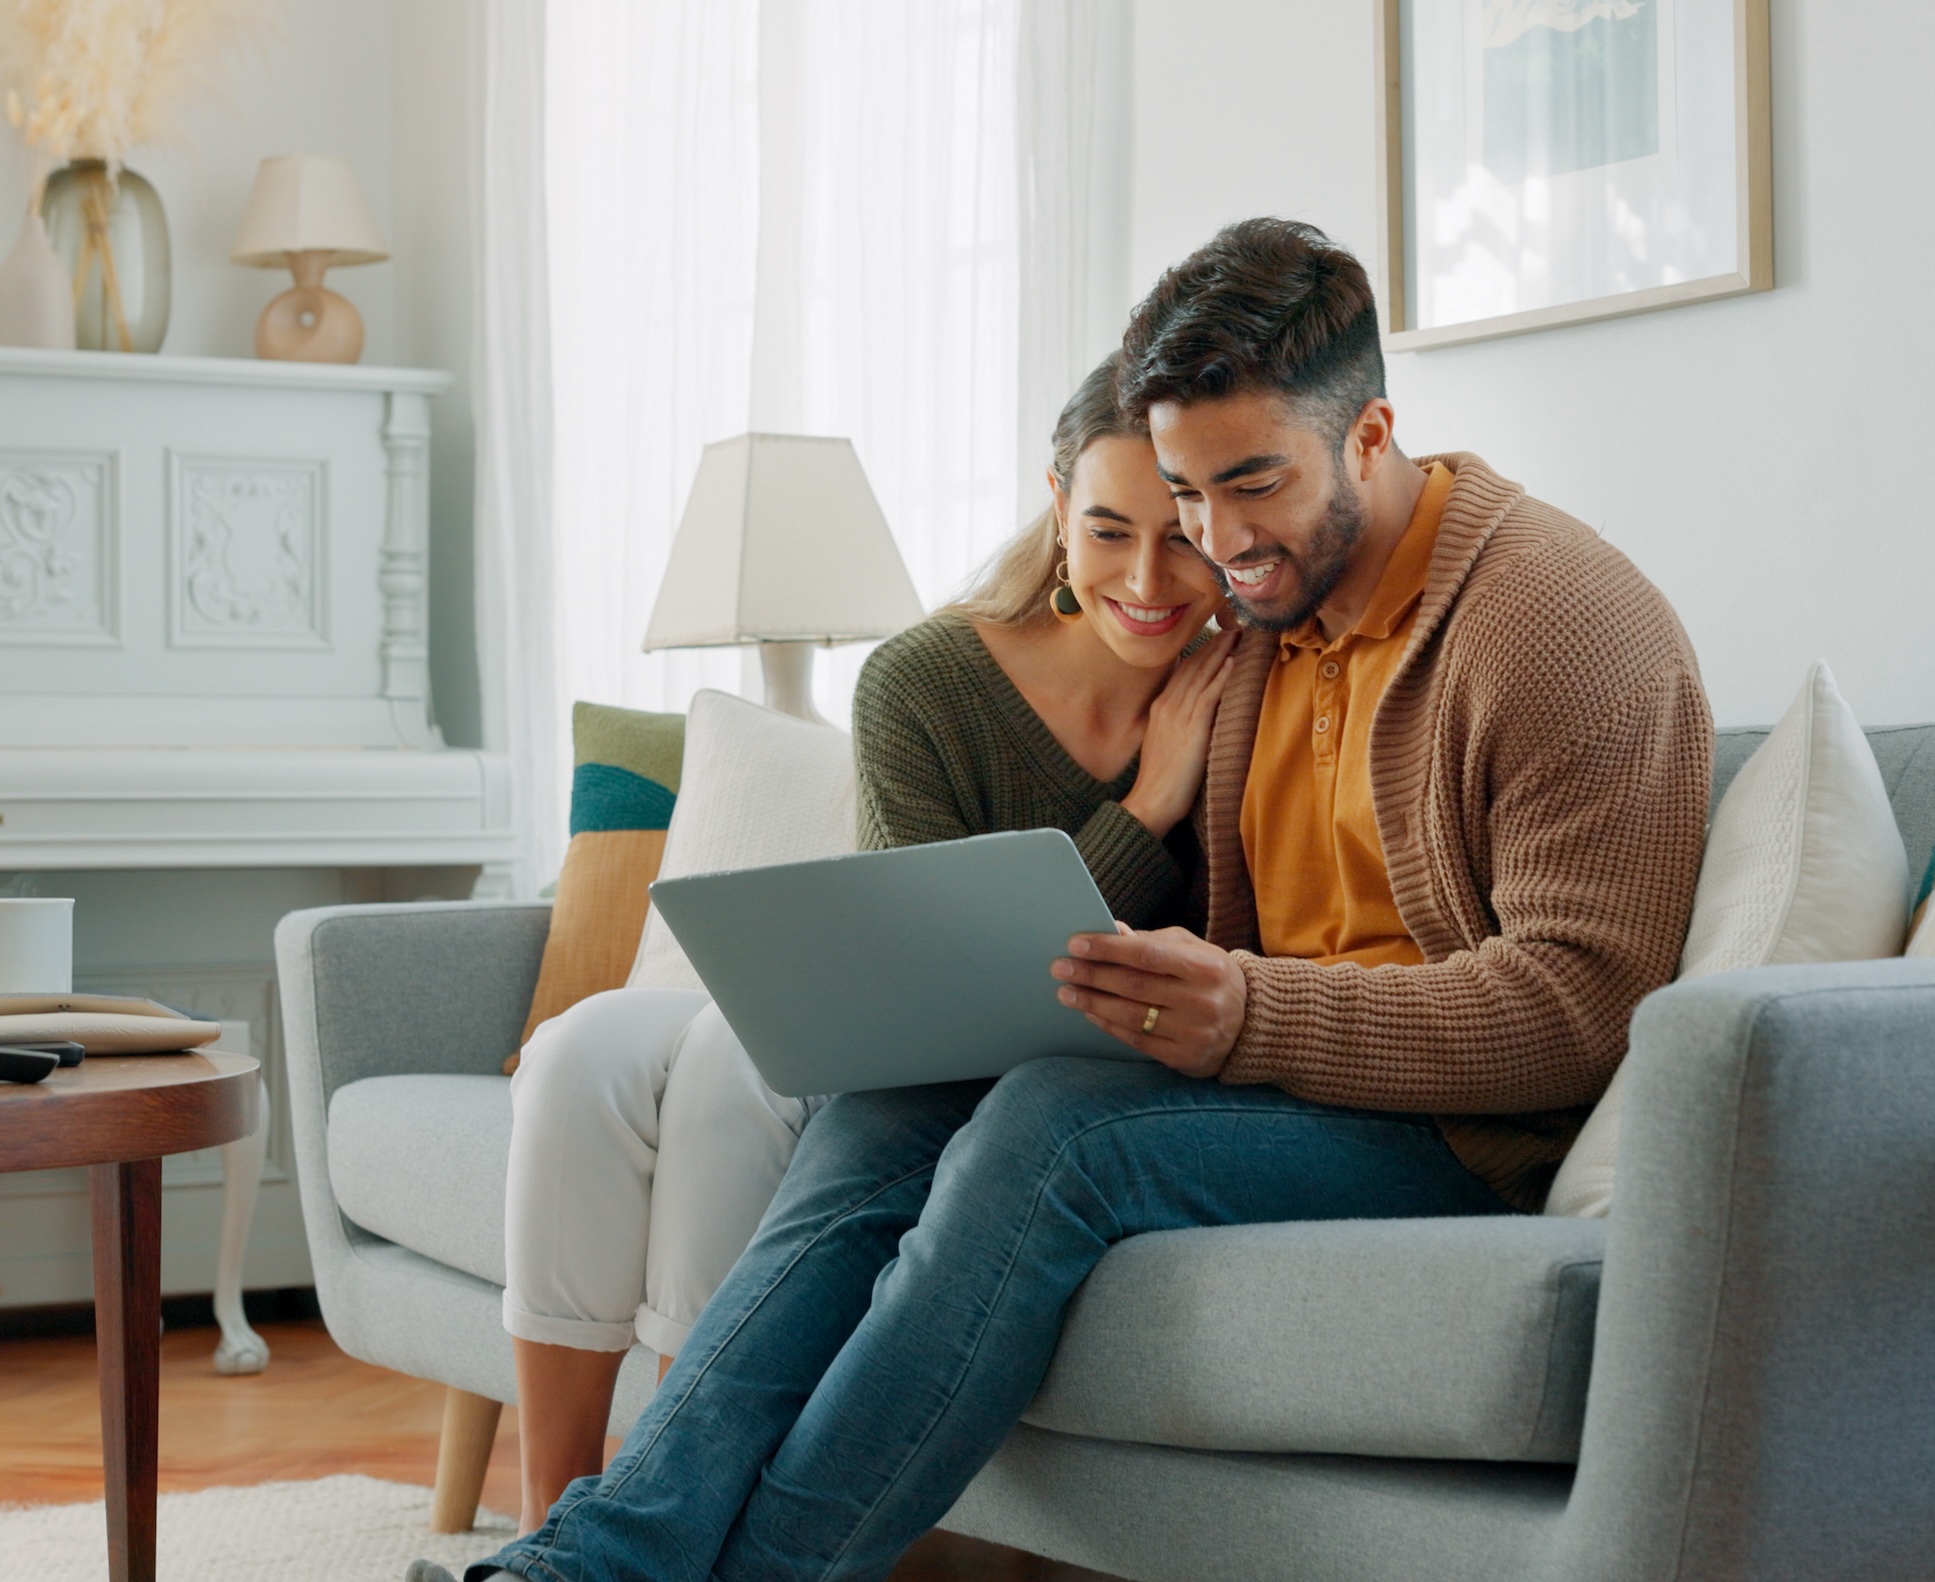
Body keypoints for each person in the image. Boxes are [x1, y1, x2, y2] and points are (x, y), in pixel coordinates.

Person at [455, 218, 1713, 1582]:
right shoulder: (1261, 622)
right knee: (901, 1100)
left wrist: (1247, 1009)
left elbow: (1587, 1009)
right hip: (1283, 1082)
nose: (1219, 542)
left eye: (1254, 485)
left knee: (1058, 1127)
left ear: (1370, 436)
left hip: (1463, 1129)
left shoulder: (1556, 622)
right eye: (1186, 495)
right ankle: (577, 1564)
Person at [494, 355, 1233, 1529]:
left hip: (992, 1066)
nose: (1148, 579)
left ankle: (668, 1516)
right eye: (1106, 530)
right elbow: (928, 978)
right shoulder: (928, 678)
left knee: (729, 1078)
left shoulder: (1241, 691)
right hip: (890, 1021)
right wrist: (1144, 813)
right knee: (581, 1054)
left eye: (1181, 536)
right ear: (1056, 510)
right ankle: (555, 1516)